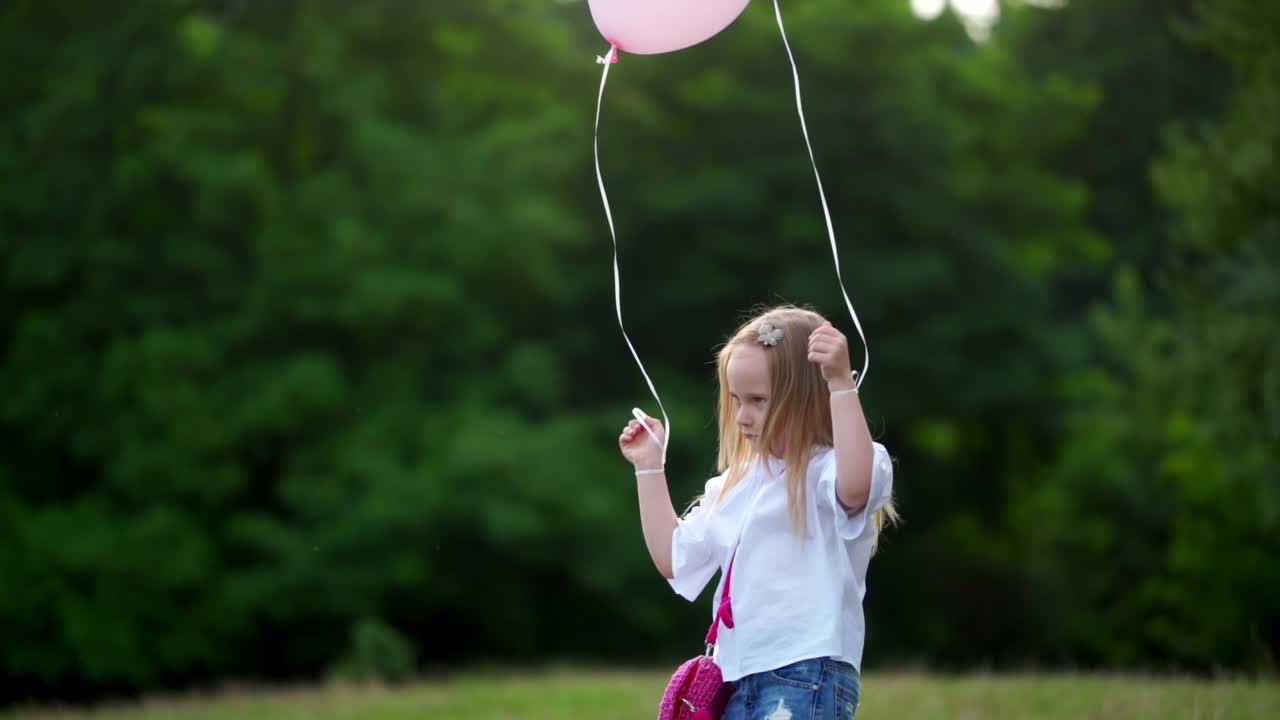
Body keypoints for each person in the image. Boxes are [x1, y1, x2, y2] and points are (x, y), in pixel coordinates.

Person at [619, 305, 897, 720]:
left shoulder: (829, 469)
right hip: (736, 674)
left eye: (759, 401)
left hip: (807, 670)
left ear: (807, 398)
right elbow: (675, 559)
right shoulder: (738, 482)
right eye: (737, 400)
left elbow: (856, 489)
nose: (743, 416)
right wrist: (649, 467)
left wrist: (839, 382)